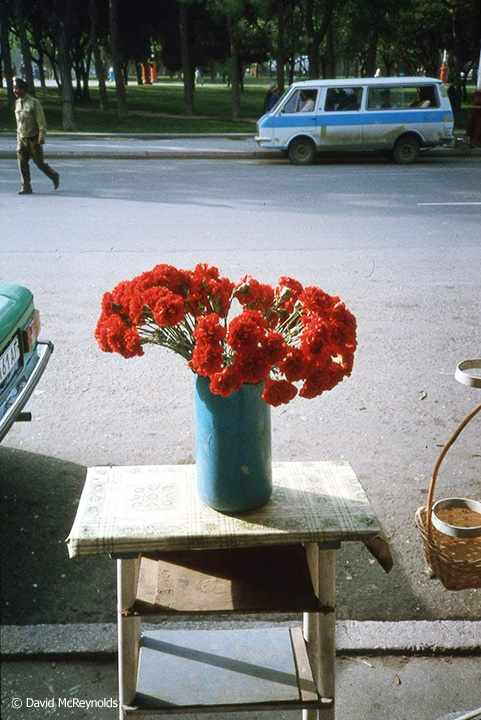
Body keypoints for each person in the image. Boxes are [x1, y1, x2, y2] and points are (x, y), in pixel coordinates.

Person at [14, 78, 59, 195]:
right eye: (14, 88)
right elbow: (18, 123)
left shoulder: (34, 103)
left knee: (39, 163)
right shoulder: (17, 103)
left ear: (23, 90)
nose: (15, 91)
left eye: (17, 88)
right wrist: (18, 137)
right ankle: (26, 187)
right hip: (22, 138)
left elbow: (41, 122)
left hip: (34, 139)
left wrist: (41, 136)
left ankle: (54, 176)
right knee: (22, 164)